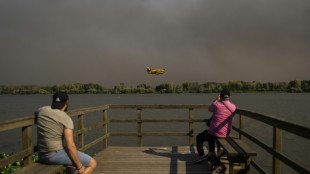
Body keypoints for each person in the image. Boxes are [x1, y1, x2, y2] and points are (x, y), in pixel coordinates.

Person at [35, 91, 97, 174]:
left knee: (71, 161)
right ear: (67, 102)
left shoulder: (41, 110)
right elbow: (70, 146)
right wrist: (80, 166)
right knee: (92, 163)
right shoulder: (66, 118)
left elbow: (36, 113)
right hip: (54, 155)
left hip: (41, 154)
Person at [194, 89, 236, 172]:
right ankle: (212, 155)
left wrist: (217, 100)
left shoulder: (216, 104)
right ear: (230, 97)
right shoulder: (233, 107)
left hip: (213, 132)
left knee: (199, 137)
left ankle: (202, 155)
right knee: (211, 140)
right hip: (225, 133)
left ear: (220, 96)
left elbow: (210, 109)